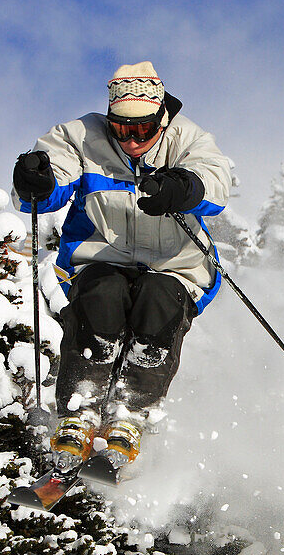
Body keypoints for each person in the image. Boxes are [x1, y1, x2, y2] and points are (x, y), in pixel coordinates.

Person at [12, 62, 232, 474]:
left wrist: (183, 187)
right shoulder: (79, 136)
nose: (132, 140)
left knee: (159, 303)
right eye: (121, 129)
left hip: (176, 264)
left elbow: (215, 178)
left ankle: (131, 413)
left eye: (144, 130)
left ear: (162, 119)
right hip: (101, 255)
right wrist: (37, 182)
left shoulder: (187, 138)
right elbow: (49, 177)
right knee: (101, 297)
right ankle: (80, 406)